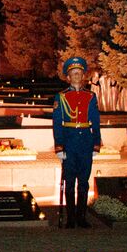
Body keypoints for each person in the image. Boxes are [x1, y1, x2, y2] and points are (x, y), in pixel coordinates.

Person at [52, 56, 102, 229]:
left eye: (79, 73)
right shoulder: (61, 97)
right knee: (69, 182)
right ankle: (71, 218)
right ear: (68, 77)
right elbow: (57, 124)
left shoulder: (91, 96)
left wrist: (96, 143)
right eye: (73, 73)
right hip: (69, 142)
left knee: (83, 182)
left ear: (83, 76)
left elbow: (95, 121)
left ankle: (82, 217)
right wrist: (59, 146)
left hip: (86, 143)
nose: (76, 76)